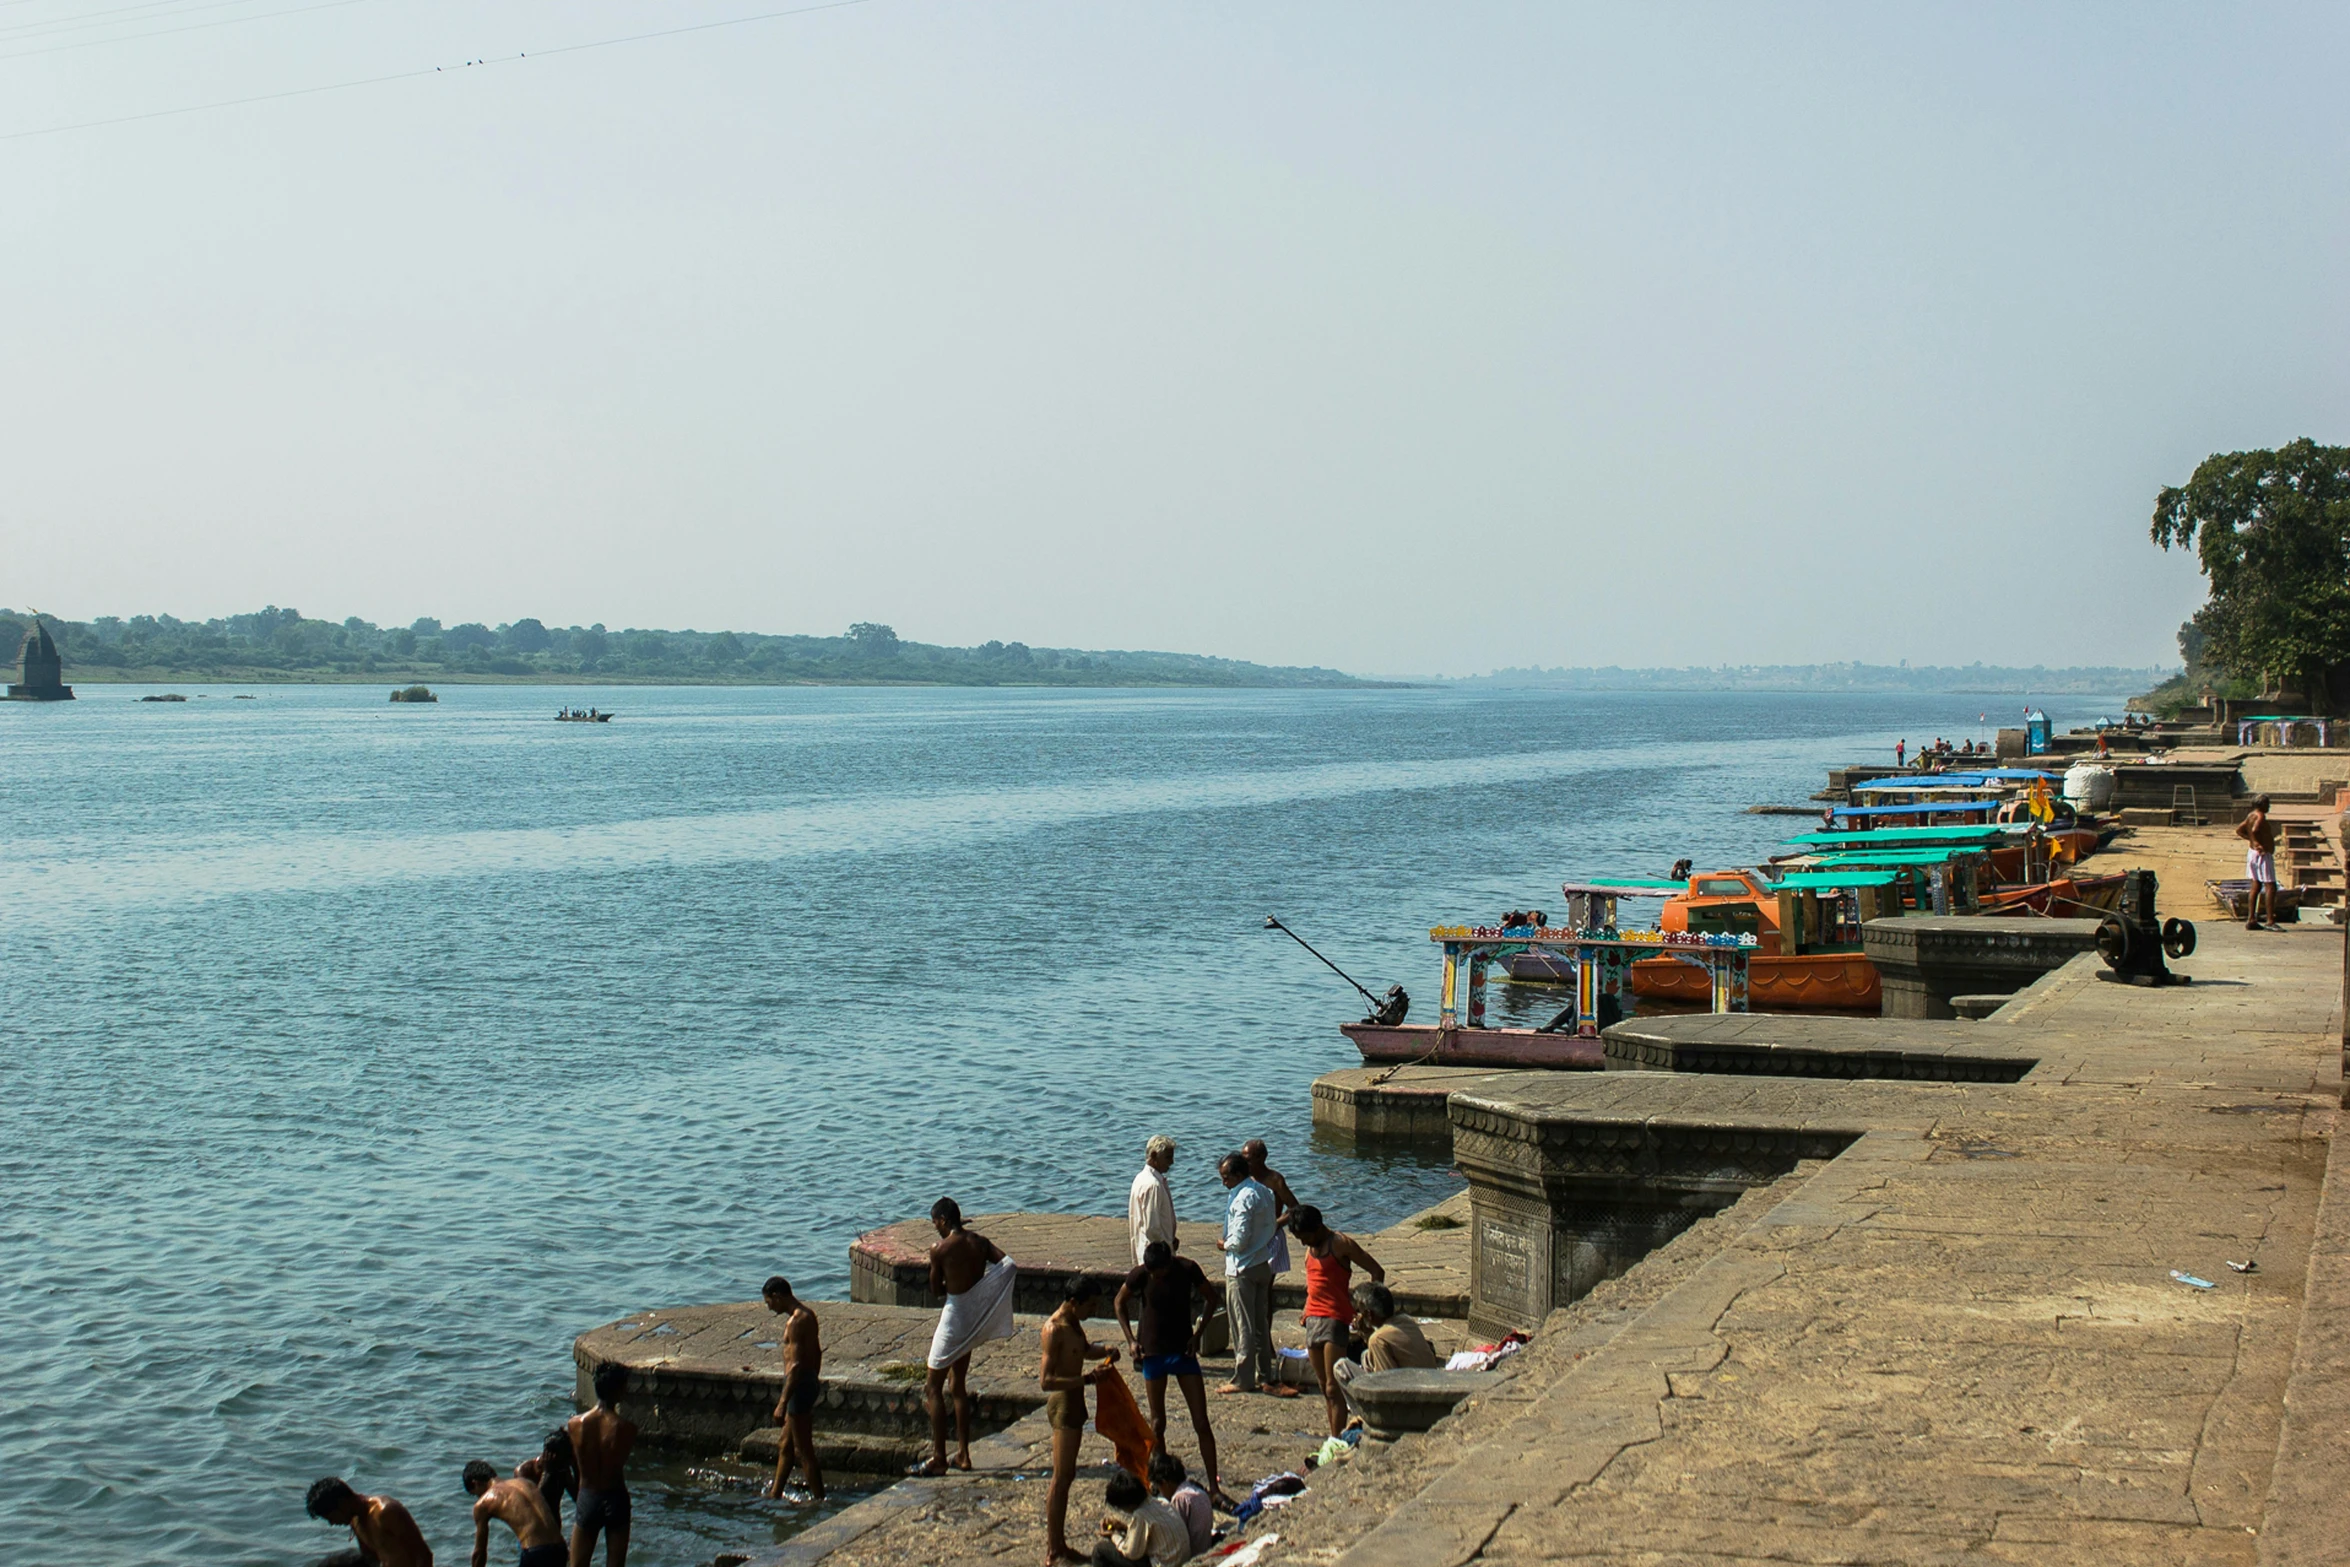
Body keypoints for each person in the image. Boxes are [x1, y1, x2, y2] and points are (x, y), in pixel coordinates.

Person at [1113, 1241, 1225, 1503]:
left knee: (1201, 1422)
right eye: (1151, 1273)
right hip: (1153, 1354)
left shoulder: (1187, 1269)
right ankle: (1161, 1482)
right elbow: (1119, 1302)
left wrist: (1198, 1334)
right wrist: (1130, 1339)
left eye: (1158, 1273)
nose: (1154, 1277)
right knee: (1157, 1422)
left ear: (1168, 1264)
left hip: (1183, 1352)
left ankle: (1214, 1486)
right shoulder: (1140, 1275)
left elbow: (1212, 1298)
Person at [918, 1197, 1018, 1476]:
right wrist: (984, 1294)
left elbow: (936, 1290)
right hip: (973, 1317)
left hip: (954, 1317)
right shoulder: (980, 1242)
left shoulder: (939, 1248)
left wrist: (951, 1282)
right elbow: (1009, 1265)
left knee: (933, 1387)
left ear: (942, 1221)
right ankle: (962, 1453)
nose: (935, 1228)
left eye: (935, 1223)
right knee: (957, 1386)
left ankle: (939, 1457)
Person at [1040, 1279, 1121, 1567]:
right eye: (1090, 1305)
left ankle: (1060, 1544)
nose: (1093, 1310)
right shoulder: (1054, 1329)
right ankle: (1054, 1549)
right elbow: (1046, 1381)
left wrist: (1107, 1350)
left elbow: (1083, 1350)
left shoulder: (1073, 1323)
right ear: (1074, 1302)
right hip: (1063, 1404)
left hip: (1076, 1404)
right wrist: (1086, 1379)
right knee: (1061, 1478)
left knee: (1068, 1476)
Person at [1286, 1206, 1385, 1437]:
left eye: (1305, 1237)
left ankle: (1337, 1438)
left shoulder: (1340, 1244)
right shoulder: (1309, 1250)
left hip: (1335, 1318)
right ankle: (1334, 1435)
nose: (1303, 1243)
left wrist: (1366, 1312)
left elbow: (1376, 1271)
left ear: (1318, 1228)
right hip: (1313, 1318)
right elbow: (1313, 1283)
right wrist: (1305, 1310)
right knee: (1323, 1386)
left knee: (1334, 1386)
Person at [1212, 1152, 1286, 1396]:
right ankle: (1265, 1373)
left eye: (1226, 1178)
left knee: (1242, 1324)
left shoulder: (1243, 1197)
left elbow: (1240, 1239)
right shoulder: (1264, 1191)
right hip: (1261, 1262)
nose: (1223, 1183)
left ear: (1238, 1175)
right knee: (1260, 1324)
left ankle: (1243, 1378)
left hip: (1242, 1267)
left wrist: (1225, 1244)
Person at [1331, 1281, 1441, 1426]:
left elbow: (1386, 1384)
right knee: (1366, 1357)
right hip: (1429, 1394)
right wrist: (1365, 1334)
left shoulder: (1378, 1339)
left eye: (1359, 1311)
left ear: (1369, 1314)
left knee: (1341, 1366)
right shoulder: (1405, 1321)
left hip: (1407, 1406)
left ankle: (1367, 1420)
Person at [762, 1275, 825, 1504]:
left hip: (798, 1386)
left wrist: (781, 1403)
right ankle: (775, 1493)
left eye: (769, 1302)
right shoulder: (808, 1315)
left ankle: (819, 1499)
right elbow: (817, 1354)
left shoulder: (797, 1321)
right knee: (785, 1445)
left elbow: (796, 1365)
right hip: (805, 1383)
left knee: (804, 1451)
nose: (769, 1307)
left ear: (777, 1297)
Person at [568, 1362, 637, 1567]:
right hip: (616, 1496)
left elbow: (574, 1462)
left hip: (588, 1495)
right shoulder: (626, 1428)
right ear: (617, 1390)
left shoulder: (575, 1425)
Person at [305, 1477, 434, 1567]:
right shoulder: (355, 1522)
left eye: (331, 1517)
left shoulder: (386, 1512)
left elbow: (424, 1554)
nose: (332, 1523)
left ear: (342, 1504)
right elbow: (371, 1562)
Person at [464, 1458, 566, 1567]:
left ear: (476, 1483)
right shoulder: (525, 1482)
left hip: (536, 1553)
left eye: (475, 1494)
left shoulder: (483, 1503)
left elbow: (479, 1553)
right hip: (560, 1548)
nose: (478, 1497)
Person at [1090, 1466, 1191, 1567]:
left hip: (1163, 1564)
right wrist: (1124, 1527)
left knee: (1100, 1550)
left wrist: (1113, 1536)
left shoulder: (1141, 1515)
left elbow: (1131, 1553)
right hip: (1180, 1561)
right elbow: (1147, 1534)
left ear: (1127, 1504)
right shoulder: (1162, 1502)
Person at [1239, 1139, 1298, 1282]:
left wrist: (1275, 1223)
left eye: (1248, 1160)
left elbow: (1294, 1208)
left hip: (1271, 1236)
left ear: (1261, 1158)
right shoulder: (1244, 1179)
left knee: (1266, 1283)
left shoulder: (1274, 1179)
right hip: (1251, 1235)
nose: (1244, 1164)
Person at [1151, 1452, 1215, 1558]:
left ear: (1165, 1483)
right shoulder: (1197, 1491)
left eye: (1159, 1487)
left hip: (1192, 1555)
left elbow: (1177, 1535)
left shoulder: (1180, 1498)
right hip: (1205, 1548)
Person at [1128, 1136, 1178, 1265]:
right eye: (1168, 1158)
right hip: (1156, 1258)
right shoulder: (1153, 1185)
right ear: (1154, 1156)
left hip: (1146, 1251)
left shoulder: (1140, 1178)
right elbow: (1152, 1228)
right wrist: (1167, 1245)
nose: (1171, 1162)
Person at [516, 1429, 576, 1535]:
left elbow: (577, 1498)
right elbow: (533, 1504)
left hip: (555, 1529)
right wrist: (547, 1473)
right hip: (532, 1533)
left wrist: (576, 1468)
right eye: (567, 1459)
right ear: (550, 1455)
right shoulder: (525, 1471)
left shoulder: (562, 1469)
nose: (569, 1462)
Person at [2239, 793, 2280, 930]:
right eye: (2268, 804)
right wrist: (2257, 842)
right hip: (2262, 855)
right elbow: (2255, 830)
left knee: (2255, 885)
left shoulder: (2250, 815)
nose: (2269, 807)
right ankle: (2270, 920)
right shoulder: (2260, 816)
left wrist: (2251, 841)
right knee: (2270, 886)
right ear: (2262, 805)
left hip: (2252, 853)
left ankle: (2251, 919)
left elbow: (2240, 830)